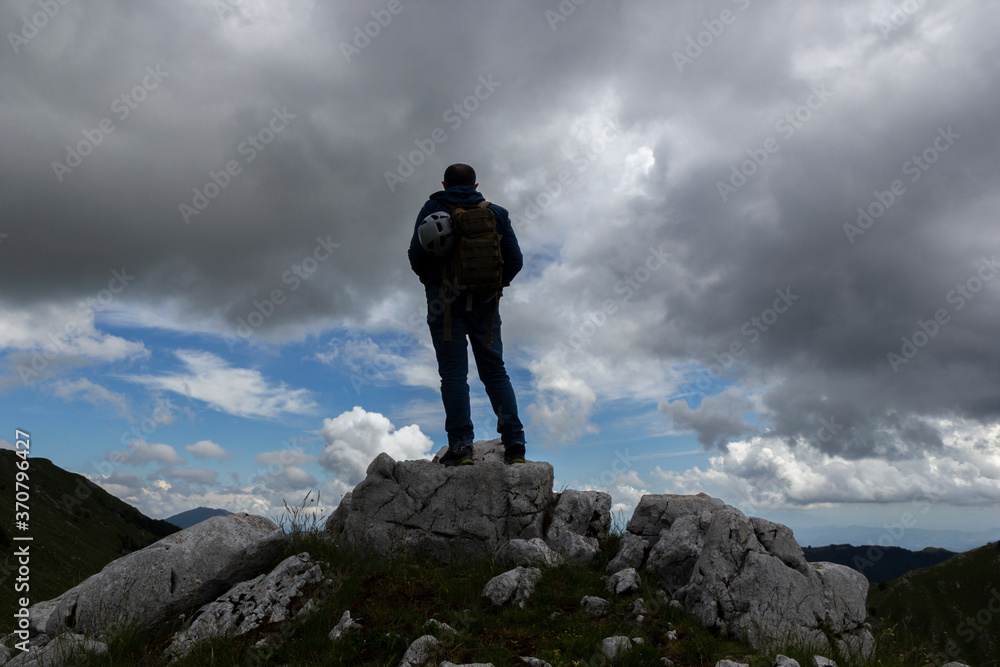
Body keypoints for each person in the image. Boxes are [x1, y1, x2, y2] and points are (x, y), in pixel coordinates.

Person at [408, 163, 526, 466]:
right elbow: (515, 260)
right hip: (486, 302)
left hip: (444, 303)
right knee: (495, 372)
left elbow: (416, 255)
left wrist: (434, 283)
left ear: (444, 183)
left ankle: (461, 447)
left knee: (453, 374)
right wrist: (493, 286)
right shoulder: (496, 212)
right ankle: (515, 445)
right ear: (476, 186)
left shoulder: (433, 207)